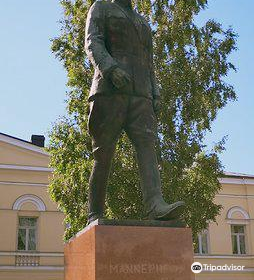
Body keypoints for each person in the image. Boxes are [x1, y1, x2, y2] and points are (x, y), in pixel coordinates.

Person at [85, 0, 184, 224]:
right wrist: (110, 69)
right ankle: (95, 213)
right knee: (103, 154)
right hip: (110, 90)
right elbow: (93, 42)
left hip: (141, 94)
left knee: (148, 148)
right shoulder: (101, 7)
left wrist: (155, 93)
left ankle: (155, 204)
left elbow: (149, 62)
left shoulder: (142, 22)